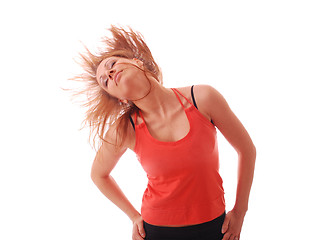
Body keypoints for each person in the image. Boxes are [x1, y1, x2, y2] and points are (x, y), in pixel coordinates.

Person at [71, 25, 256, 240]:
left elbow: (246, 149)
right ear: (121, 99)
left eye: (111, 64)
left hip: (215, 227)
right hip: (157, 230)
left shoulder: (203, 98)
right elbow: (98, 175)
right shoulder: (125, 129)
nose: (110, 73)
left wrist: (240, 212)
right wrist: (133, 216)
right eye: (105, 81)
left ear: (137, 62)